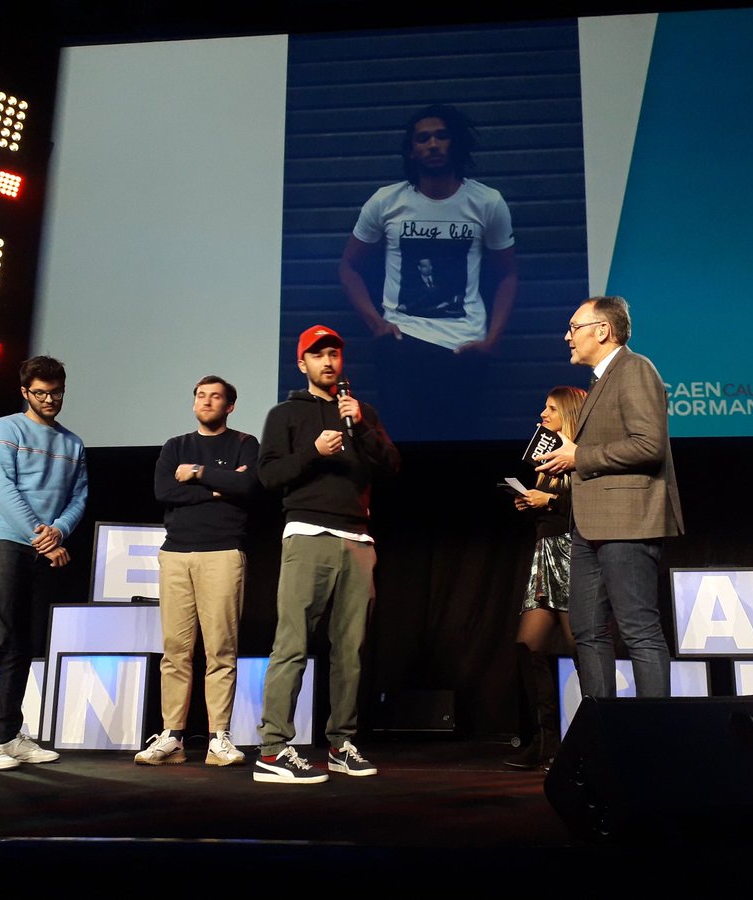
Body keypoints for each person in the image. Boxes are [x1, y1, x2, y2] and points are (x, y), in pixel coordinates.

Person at [254, 324, 400, 784]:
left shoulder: (362, 412)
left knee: (350, 650)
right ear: (303, 364)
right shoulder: (285, 414)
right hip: (308, 533)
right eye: (318, 355)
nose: (328, 361)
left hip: (357, 539)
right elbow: (268, 475)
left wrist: (364, 428)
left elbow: (392, 466)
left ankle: (341, 743)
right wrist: (314, 452)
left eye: (334, 353)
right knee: (293, 644)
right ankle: (274, 750)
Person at [339, 103, 517, 439]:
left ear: (455, 143)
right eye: (422, 138)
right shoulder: (386, 201)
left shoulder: (487, 202)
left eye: (441, 136)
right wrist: (376, 323)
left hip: (463, 349)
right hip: (404, 345)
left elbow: (508, 275)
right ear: (411, 150)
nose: (433, 144)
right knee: (401, 449)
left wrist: (492, 340)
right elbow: (349, 267)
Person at [536, 296, 684, 700]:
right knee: (585, 629)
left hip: (628, 522)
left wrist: (579, 455)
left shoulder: (635, 370)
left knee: (638, 629)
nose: (567, 337)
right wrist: (568, 457)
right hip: (589, 525)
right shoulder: (600, 380)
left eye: (574, 328)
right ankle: (604, 733)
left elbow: (649, 445)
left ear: (602, 331)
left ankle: (655, 735)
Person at [0, 356, 88, 770]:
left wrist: (59, 533)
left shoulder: (73, 443)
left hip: (44, 546)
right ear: (25, 392)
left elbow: (78, 498)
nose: (49, 400)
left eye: (56, 392)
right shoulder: (6, 428)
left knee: (25, 644)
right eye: (41, 393)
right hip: (6, 542)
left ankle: (8, 735)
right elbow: (2, 488)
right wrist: (41, 537)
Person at [135, 376, 259, 767]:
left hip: (222, 552)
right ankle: (172, 736)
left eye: (215, 397)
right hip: (175, 554)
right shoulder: (175, 446)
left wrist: (198, 473)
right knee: (175, 651)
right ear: (193, 404)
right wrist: (220, 486)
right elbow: (163, 492)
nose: (207, 402)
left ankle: (218, 738)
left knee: (221, 649)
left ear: (230, 406)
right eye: (201, 396)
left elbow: (248, 486)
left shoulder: (244, 443)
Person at [505, 386, 586, 770]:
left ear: (568, 413)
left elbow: (589, 505)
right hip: (545, 555)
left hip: (574, 555)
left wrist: (549, 501)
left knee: (583, 649)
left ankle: (594, 741)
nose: (543, 414)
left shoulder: (583, 454)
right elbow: (552, 508)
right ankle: (545, 742)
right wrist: (531, 501)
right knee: (527, 644)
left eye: (551, 408)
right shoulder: (546, 456)